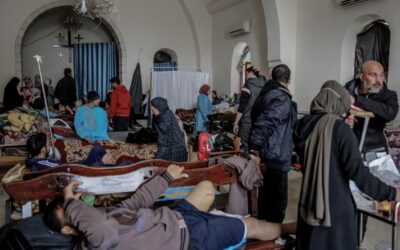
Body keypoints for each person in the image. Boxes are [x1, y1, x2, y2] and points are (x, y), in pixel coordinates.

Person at [43, 164, 296, 250]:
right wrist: (69, 202)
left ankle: (223, 220)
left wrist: (166, 178)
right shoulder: (95, 243)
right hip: (190, 239)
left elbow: (136, 202)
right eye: (73, 211)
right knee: (252, 225)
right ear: (67, 230)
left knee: (207, 186)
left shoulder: (104, 216)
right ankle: (291, 228)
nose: (81, 209)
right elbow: (101, 229)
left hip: (177, 216)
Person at [293, 80, 399, 250]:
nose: (347, 114)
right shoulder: (339, 129)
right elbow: (358, 173)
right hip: (335, 210)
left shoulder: (302, 125)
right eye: (346, 109)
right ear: (339, 104)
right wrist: (390, 193)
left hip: (309, 202)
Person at [248, 64, 297, 223]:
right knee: (277, 204)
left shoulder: (266, 93)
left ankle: (263, 232)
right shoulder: (281, 97)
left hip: (267, 152)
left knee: (266, 198)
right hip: (276, 156)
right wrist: (253, 149)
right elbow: (266, 123)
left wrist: (256, 149)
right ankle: (272, 240)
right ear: (288, 80)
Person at [345, 60, 398, 155]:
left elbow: (390, 113)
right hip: (349, 151)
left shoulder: (388, 95)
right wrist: (343, 120)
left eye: (381, 75)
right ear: (362, 77)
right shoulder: (346, 92)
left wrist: (357, 100)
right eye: (373, 75)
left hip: (376, 152)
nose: (378, 80)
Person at [26, 133, 114, 172]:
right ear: (43, 150)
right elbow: (68, 171)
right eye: (48, 144)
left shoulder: (37, 161)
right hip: (81, 173)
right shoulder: (42, 164)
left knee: (97, 150)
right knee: (123, 163)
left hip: (76, 167)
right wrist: (101, 163)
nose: (50, 145)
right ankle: (113, 169)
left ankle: (110, 165)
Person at [233, 66, 266, 156]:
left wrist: (236, 122)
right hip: (261, 121)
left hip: (248, 121)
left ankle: (248, 168)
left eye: (247, 73)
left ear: (251, 73)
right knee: (257, 148)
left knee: (246, 148)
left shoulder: (248, 85)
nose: (246, 76)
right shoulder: (265, 84)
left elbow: (242, 106)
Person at [151, 97, 188, 162]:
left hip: (176, 146)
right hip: (168, 143)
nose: (151, 108)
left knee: (158, 162)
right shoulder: (161, 114)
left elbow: (163, 129)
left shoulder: (167, 114)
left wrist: (157, 116)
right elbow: (155, 129)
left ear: (157, 107)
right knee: (157, 161)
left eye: (152, 106)